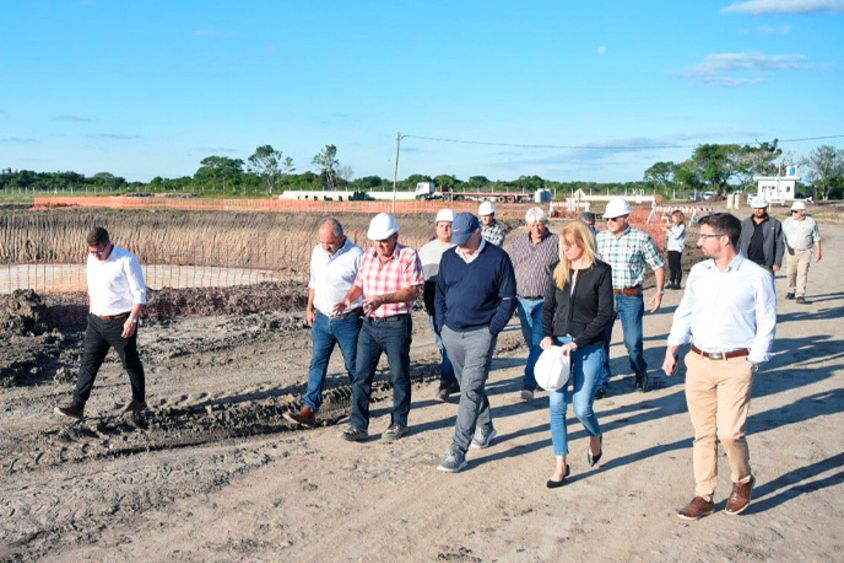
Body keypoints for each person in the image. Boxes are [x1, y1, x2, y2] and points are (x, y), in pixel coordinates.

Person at [662, 212, 776, 521]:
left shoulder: (756, 276)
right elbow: (685, 312)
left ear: (724, 239)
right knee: (703, 433)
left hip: (736, 363)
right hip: (698, 361)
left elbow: (767, 322)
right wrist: (673, 348)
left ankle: (742, 480)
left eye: (705, 237)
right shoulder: (699, 272)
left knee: (729, 432)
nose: (698, 242)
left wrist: (753, 360)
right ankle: (704, 494)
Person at [435, 213, 517, 472]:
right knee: (469, 384)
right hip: (452, 333)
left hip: (481, 334)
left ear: (478, 231)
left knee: (469, 390)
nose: (459, 244)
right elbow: (439, 294)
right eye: (455, 239)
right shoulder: (449, 257)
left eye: (464, 239)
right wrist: (442, 326)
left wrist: (492, 330)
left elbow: (508, 299)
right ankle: (487, 427)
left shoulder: (498, 259)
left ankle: (458, 451)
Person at [336, 213, 424, 442]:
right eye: (376, 241)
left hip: (396, 324)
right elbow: (358, 285)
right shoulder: (368, 256)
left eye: (384, 241)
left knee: (399, 375)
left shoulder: (408, 256)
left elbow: (412, 291)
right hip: (370, 324)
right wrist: (347, 300)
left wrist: (382, 299)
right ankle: (358, 425)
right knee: (361, 375)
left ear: (395, 236)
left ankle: (398, 422)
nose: (380, 245)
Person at [540, 221, 613, 487]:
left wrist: (579, 341)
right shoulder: (557, 270)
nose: (566, 249)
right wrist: (546, 335)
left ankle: (595, 436)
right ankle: (561, 463)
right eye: (564, 245)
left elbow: (605, 314)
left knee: (582, 408)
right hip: (558, 348)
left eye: (570, 244)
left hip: (589, 346)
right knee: (556, 406)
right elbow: (547, 308)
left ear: (584, 242)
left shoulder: (601, 272)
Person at [54, 227, 148, 420]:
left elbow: (140, 293)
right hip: (96, 321)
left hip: (121, 322)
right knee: (88, 363)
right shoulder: (91, 258)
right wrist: (92, 309)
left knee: (130, 362)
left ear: (108, 244)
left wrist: (132, 320)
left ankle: (139, 401)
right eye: (92, 252)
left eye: (99, 251)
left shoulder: (126, 260)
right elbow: (92, 285)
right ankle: (77, 406)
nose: (95, 255)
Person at [284, 218, 364, 428]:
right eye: (322, 242)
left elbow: (365, 286)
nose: (325, 247)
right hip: (321, 319)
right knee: (317, 364)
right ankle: (309, 410)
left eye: (329, 242)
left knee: (354, 365)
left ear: (340, 237)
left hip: (348, 320)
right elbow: (314, 282)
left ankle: (360, 409)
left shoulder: (357, 255)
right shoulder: (317, 252)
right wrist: (309, 307)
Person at [595, 198, 665, 396]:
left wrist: (659, 292)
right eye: (607, 218)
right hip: (605, 296)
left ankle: (640, 370)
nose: (609, 222)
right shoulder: (600, 238)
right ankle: (601, 381)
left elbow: (658, 265)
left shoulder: (641, 239)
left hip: (631, 297)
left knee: (633, 342)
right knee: (601, 340)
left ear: (626, 218)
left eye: (614, 219)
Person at [510, 207, 560, 401]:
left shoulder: (555, 242)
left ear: (545, 223)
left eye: (540, 224)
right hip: (522, 301)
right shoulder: (519, 243)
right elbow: (510, 265)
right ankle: (542, 374)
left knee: (539, 341)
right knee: (533, 344)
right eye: (533, 225)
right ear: (527, 225)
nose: (537, 228)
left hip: (544, 301)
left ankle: (528, 384)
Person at [418, 208, 459, 401]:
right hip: (432, 306)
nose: (445, 229)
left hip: (454, 305)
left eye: (449, 226)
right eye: (442, 226)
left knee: (448, 343)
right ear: (436, 227)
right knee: (441, 343)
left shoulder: (461, 248)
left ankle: (445, 382)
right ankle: (455, 376)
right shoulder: (426, 250)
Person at [782, 200, 822, 304]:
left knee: (802, 273)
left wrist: (818, 252)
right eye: (792, 211)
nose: (793, 213)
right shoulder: (786, 222)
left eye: (795, 211)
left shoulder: (811, 222)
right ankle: (791, 290)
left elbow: (816, 238)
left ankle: (800, 295)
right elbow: (781, 237)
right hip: (791, 251)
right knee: (790, 273)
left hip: (806, 251)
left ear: (802, 212)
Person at [738, 196, 784, 273]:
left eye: (760, 208)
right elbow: (738, 243)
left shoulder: (775, 223)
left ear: (765, 208)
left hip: (766, 264)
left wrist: (777, 262)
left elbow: (780, 245)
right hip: (747, 263)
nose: (758, 210)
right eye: (755, 208)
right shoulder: (745, 223)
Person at [664, 210, 687, 289]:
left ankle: (678, 283)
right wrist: (666, 231)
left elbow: (676, 236)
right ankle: (671, 281)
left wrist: (668, 231)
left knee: (676, 266)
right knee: (671, 266)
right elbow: (670, 236)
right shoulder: (674, 225)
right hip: (671, 247)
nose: (672, 219)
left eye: (673, 217)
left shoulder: (682, 226)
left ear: (678, 218)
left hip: (677, 248)